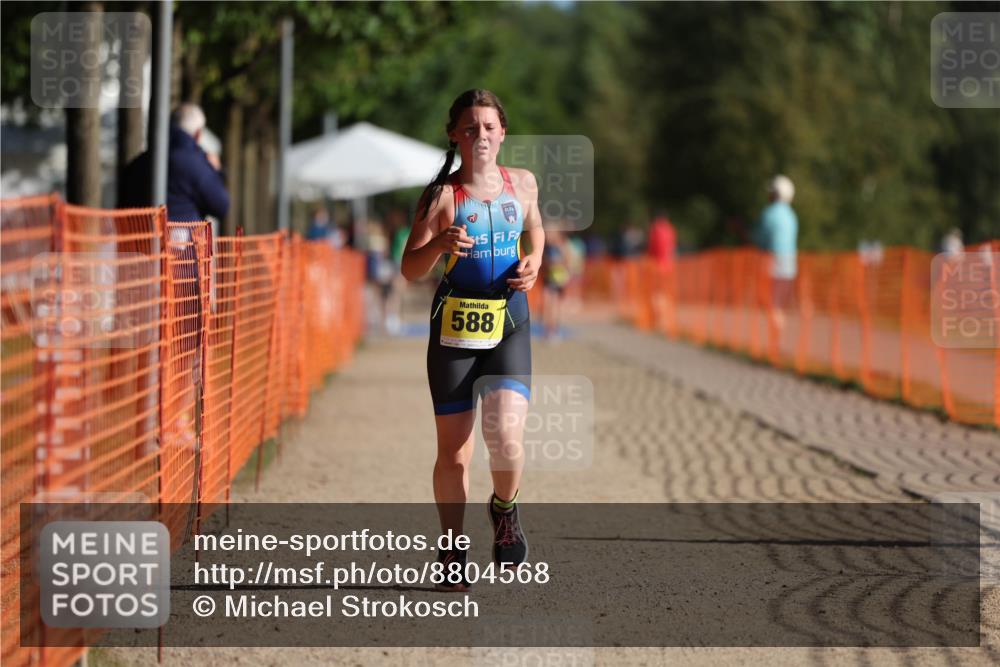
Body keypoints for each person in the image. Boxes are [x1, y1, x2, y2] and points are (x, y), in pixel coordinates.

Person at [401, 89, 544, 591]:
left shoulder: (523, 184)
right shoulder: (440, 196)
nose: (480, 136)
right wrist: (439, 244)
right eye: (470, 128)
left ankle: (504, 510)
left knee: (506, 438)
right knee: (455, 452)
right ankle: (452, 548)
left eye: (488, 127)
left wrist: (536, 260)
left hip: (509, 321)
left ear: (502, 132)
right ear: (454, 135)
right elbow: (409, 269)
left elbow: (537, 229)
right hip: (454, 329)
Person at [752, 174, 798, 331]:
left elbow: (760, 239)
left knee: (770, 303)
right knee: (778, 305)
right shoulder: (792, 216)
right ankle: (776, 340)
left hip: (771, 263)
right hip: (790, 266)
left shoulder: (769, 213)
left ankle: (774, 342)